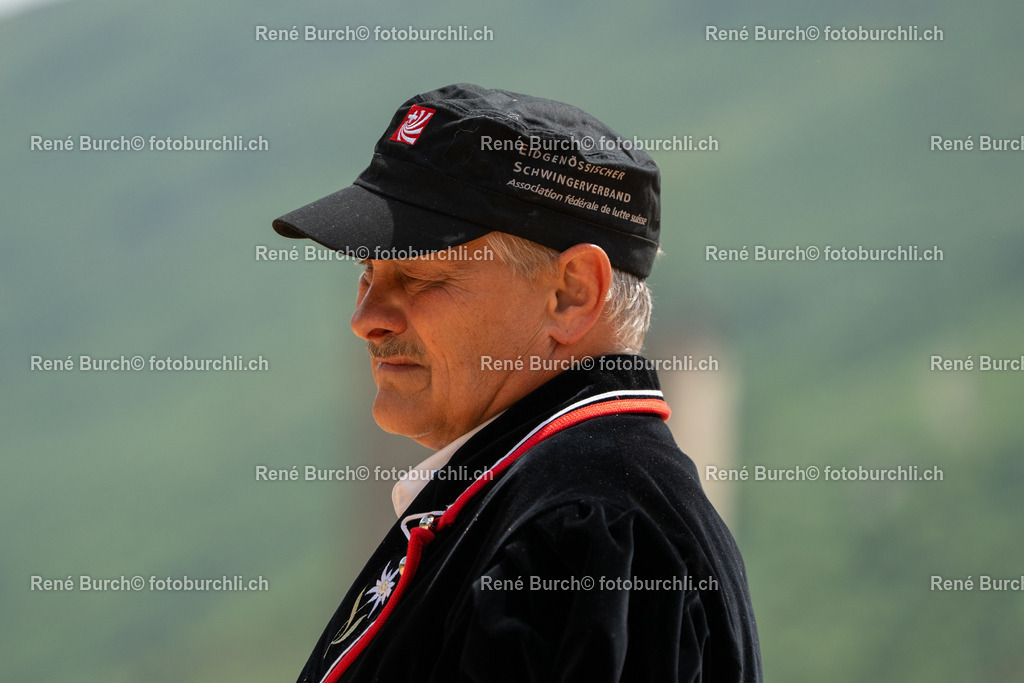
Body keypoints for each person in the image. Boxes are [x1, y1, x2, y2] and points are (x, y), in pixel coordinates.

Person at [272, 83, 761, 682]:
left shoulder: (581, 531)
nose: (365, 318)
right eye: (368, 272)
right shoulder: (549, 505)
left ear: (571, 293)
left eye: (421, 276)